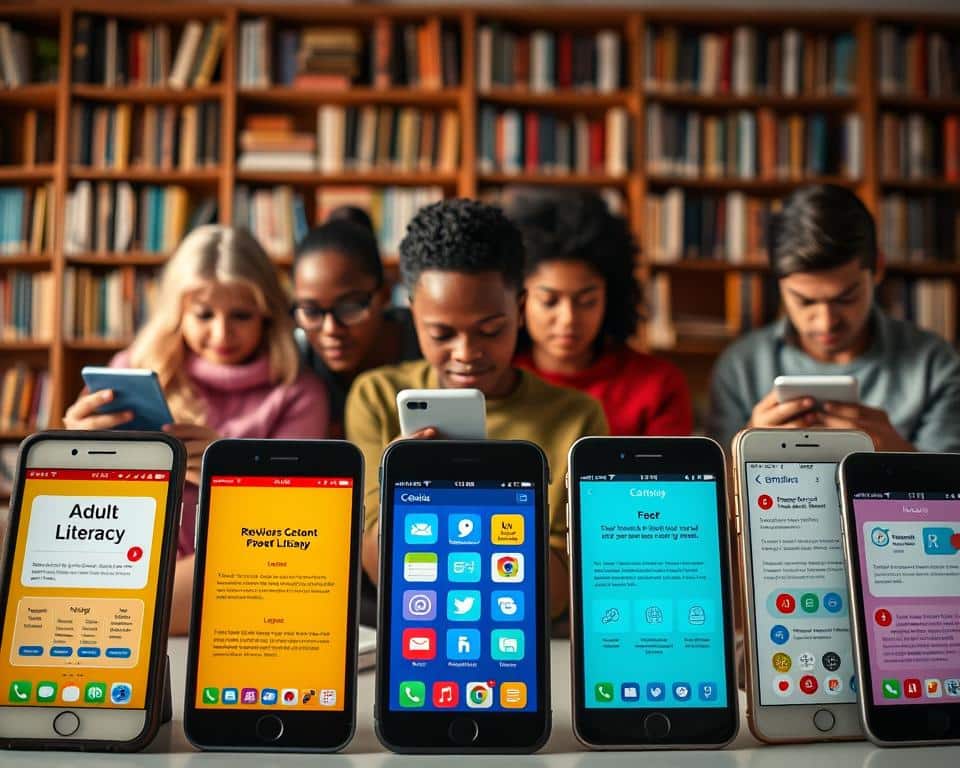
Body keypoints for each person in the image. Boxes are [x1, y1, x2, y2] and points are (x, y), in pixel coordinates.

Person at [346, 199, 609, 620]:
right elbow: (379, 569)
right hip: (421, 623)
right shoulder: (377, 397)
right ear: (414, 315)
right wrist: (402, 486)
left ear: (519, 311)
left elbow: (567, 588)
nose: (466, 353)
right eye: (441, 333)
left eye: (490, 330)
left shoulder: (577, 418)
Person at [63, 225, 330, 634]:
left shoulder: (298, 391)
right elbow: (84, 503)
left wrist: (229, 473)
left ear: (267, 314)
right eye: (204, 315)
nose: (222, 334)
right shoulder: (134, 368)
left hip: (239, 561)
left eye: (241, 315)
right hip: (125, 543)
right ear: (178, 313)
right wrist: (74, 447)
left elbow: (297, 522)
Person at [709, 184, 960, 452]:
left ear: (877, 269)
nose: (825, 322)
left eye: (845, 298)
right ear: (778, 283)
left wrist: (897, 453)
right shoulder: (740, 367)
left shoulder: (935, 365)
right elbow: (715, 479)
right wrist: (746, 448)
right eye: (805, 301)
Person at [505, 187, 693, 436]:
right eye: (549, 301)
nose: (568, 318)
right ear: (518, 300)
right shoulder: (496, 379)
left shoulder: (657, 384)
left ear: (611, 298)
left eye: (587, 301)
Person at [292, 216, 420, 438]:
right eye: (311, 311)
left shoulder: (425, 344)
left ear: (385, 295)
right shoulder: (297, 365)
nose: (330, 329)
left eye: (349, 308)